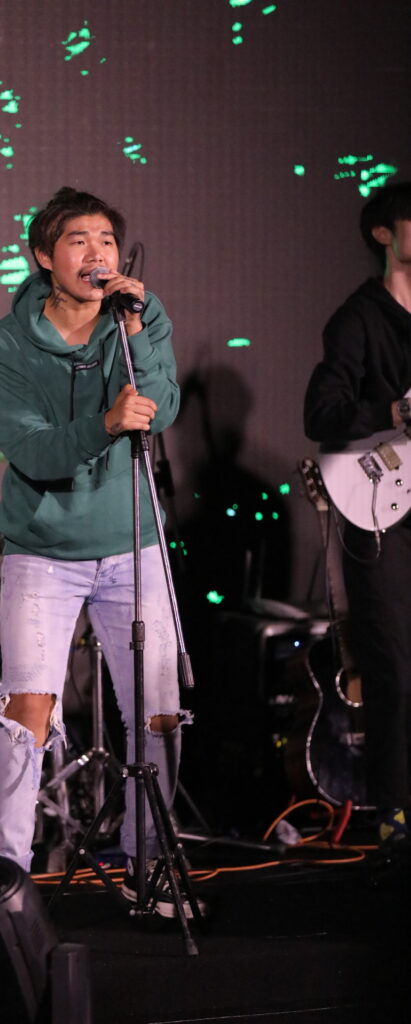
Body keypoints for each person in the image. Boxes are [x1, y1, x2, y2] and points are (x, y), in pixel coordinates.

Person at [0, 186, 185, 911]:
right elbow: (32, 452)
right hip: (44, 549)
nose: (97, 253)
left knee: (159, 713)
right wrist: (103, 424)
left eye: (106, 240)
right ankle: (3, 879)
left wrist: (138, 329)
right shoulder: (8, 342)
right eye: (78, 240)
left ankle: (145, 861)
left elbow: (162, 405)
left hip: (132, 542)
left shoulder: (138, 316)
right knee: (26, 713)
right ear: (44, 256)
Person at [304, 181, 411, 845]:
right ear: (384, 234)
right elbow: (320, 414)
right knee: (393, 665)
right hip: (381, 508)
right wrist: (394, 411)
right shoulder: (357, 319)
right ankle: (393, 815)